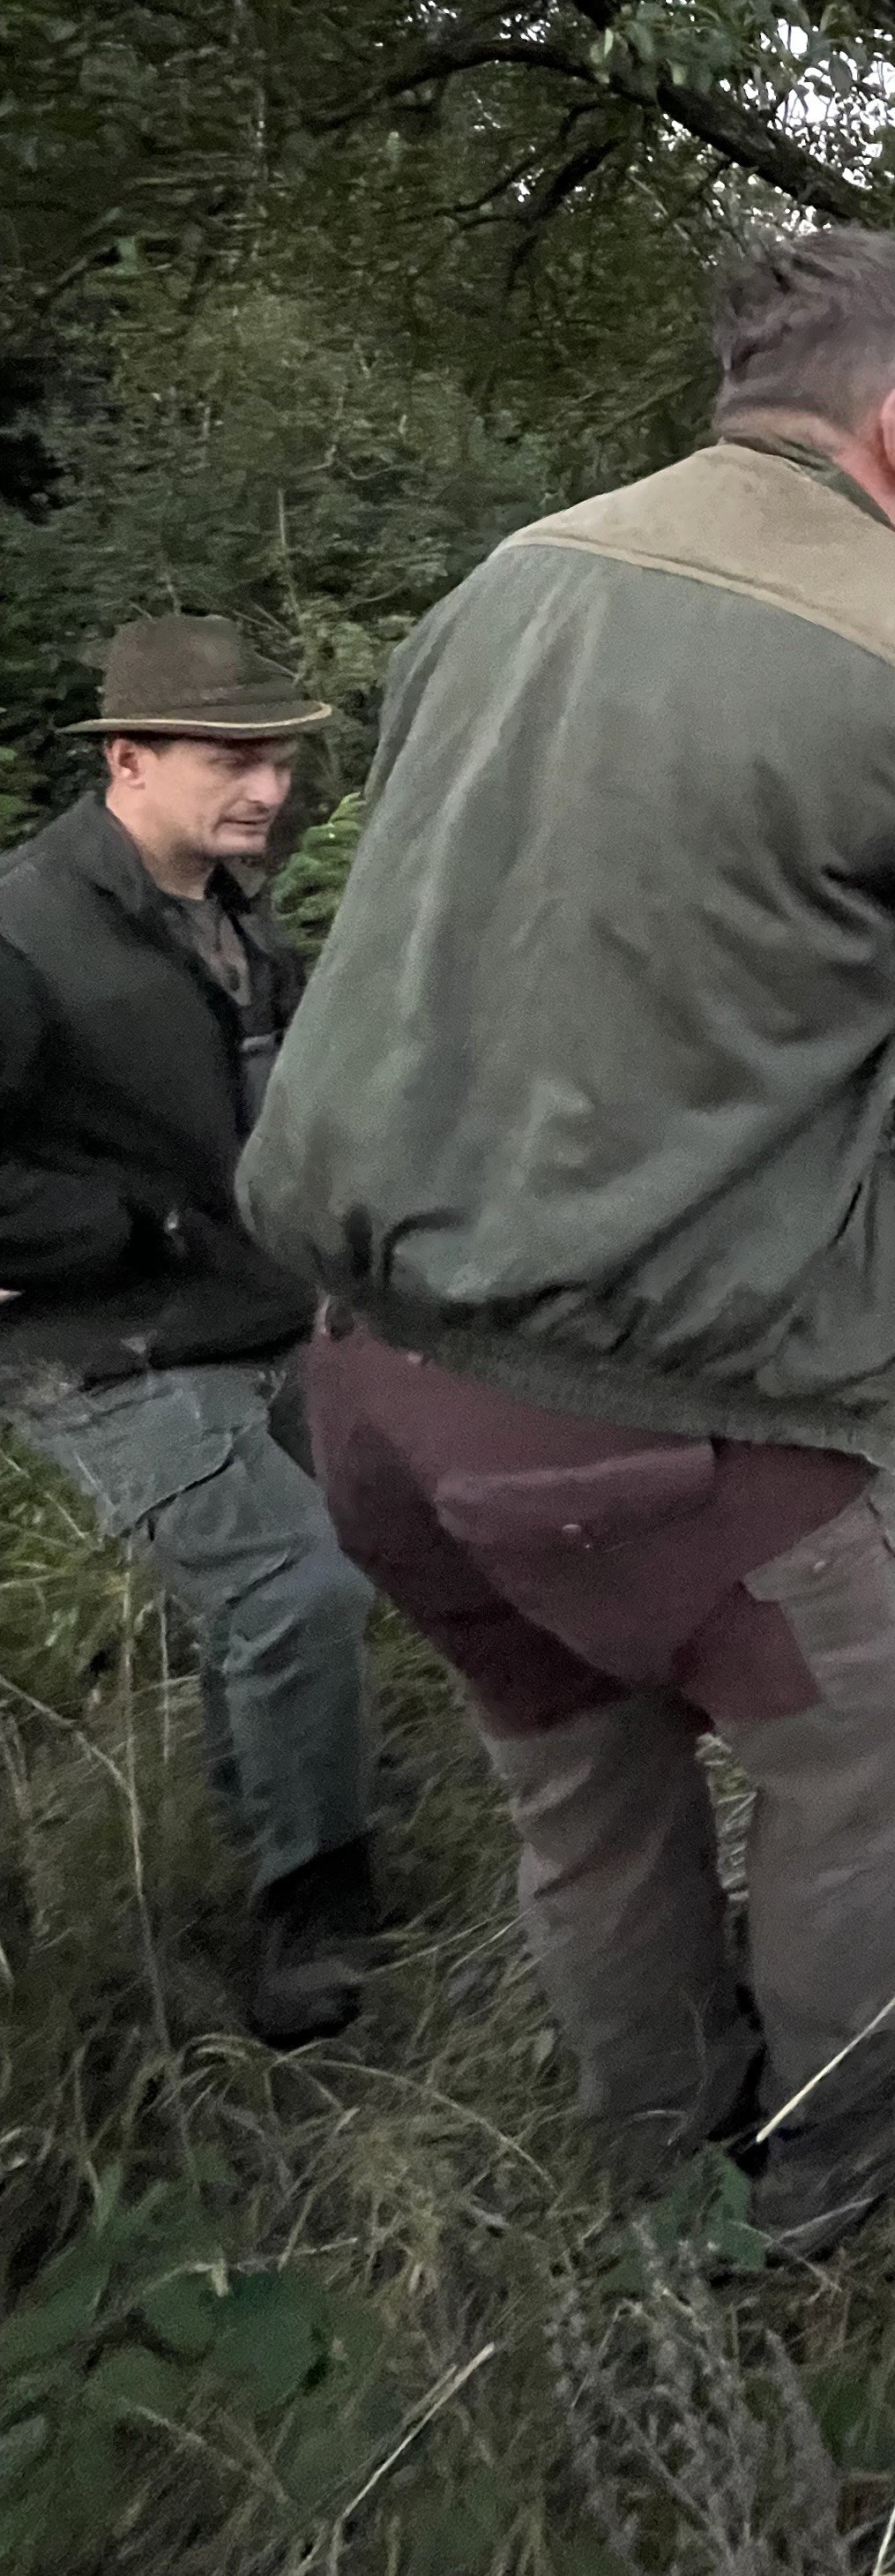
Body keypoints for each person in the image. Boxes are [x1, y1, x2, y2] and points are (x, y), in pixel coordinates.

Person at [241, 227, 895, 2258]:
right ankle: (837, 2181)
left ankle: (657, 2169)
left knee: (582, 1790)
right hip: (676, 1430)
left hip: (372, 1395)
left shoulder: (521, 574)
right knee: (855, 1765)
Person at [0, 618, 381, 2042]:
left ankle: (292, 1810)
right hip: (103, 1350)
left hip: (260, 1310)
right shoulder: (25, 929)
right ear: (128, 758)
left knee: (313, 1587)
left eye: (279, 760)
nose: (269, 789)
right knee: (297, 1590)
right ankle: (311, 1920)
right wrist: (122, 1230)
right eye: (233, 758)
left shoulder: (229, 906)